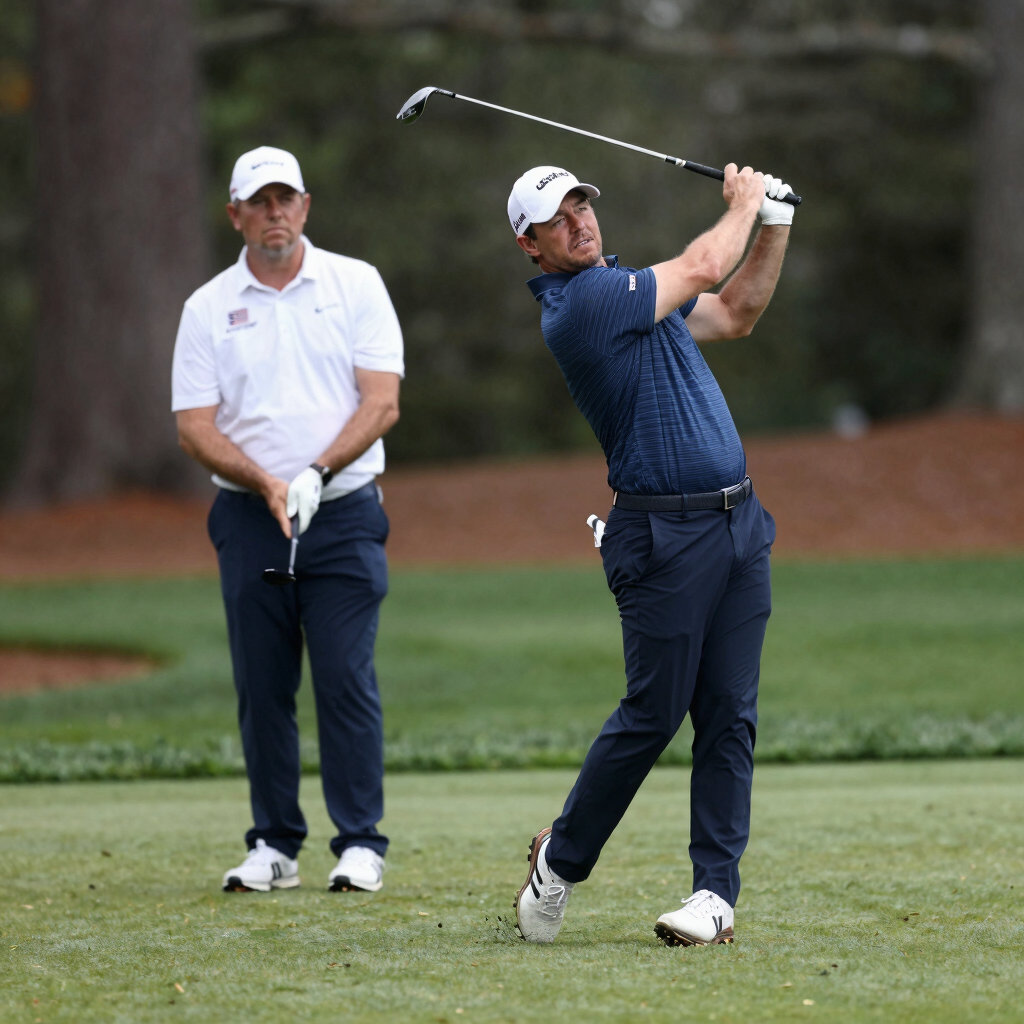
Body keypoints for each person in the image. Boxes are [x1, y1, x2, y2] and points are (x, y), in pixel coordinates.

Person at [508, 162, 794, 945]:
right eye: (558, 218)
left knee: (730, 714)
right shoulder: (583, 305)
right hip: (662, 535)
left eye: (582, 205)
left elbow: (734, 310)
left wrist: (775, 225)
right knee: (654, 713)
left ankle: (713, 897)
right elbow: (706, 265)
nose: (579, 222)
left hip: (739, 526)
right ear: (532, 247)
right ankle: (559, 861)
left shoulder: (637, 291)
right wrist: (742, 203)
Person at [172, 146, 404, 894]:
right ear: (235, 214)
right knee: (262, 685)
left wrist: (313, 474)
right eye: (259, 201)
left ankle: (361, 842)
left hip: (342, 514)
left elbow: (381, 402)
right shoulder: (207, 306)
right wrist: (267, 482)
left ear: (306, 206)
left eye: (286, 198)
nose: (275, 212)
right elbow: (195, 426)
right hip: (247, 517)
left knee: (344, 677)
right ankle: (273, 842)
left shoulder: (355, 283)